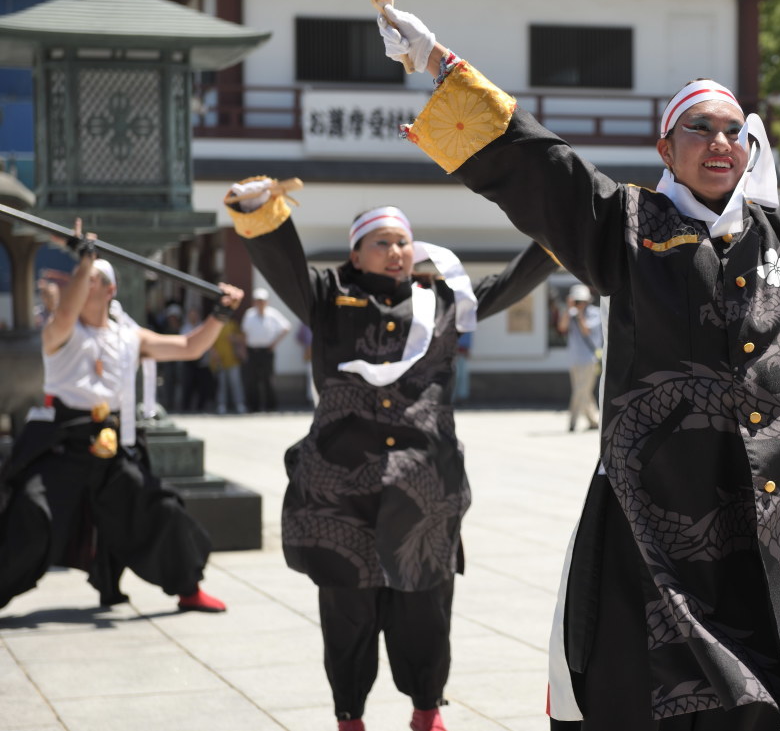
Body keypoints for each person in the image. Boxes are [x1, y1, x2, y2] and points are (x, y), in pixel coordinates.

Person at [374, 5, 780, 730]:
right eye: (700, 128)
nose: (720, 142)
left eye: (733, 131)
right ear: (666, 145)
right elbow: (533, 160)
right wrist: (438, 61)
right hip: (663, 514)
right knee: (679, 691)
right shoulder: (619, 226)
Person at [223, 178, 559, 731]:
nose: (396, 251)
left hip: (423, 489)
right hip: (338, 491)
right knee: (347, 611)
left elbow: (507, 285)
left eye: (402, 241)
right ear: (356, 253)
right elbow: (283, 265)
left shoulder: (443, 302)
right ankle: (349, 714)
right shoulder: (328, 298)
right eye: (381, 242)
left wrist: (558, 230)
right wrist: (261, 209)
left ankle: (426, 709)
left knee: (424, 607)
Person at [0, 231, 240, 613]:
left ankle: (188, 589)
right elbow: (65, 312)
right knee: (31, 512)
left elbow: (190, 346)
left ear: (109, 289)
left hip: (113, 444)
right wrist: (84, 263)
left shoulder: (130, 335)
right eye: (81, 277)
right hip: (63, 443)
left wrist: (221, 313)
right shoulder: (61, 332)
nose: (81, 284)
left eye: (91, 279)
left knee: (161, 508)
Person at [557, 284, 603, 432]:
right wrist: (568, 309)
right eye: (577, 300)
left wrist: (580, 315)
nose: (579, 303)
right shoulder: (570, 313)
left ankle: (572, 422)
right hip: (574, 359)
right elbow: (562, 328)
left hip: (589, 359)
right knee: (584, 392)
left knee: (579, 391)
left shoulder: (595, 313)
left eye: (581, 301)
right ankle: (593, 421)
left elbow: (586, 331)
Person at [241, 286, 291, 412]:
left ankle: (270, 406)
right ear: (255, 302)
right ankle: (253, 407)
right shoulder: (249, 314)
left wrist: (275, 343)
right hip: (253, 351)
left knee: (268, 379)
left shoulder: (272, 314)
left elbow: (286, 327)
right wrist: (244, 350)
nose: (260, 303)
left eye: (262, 301)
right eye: (258, 300)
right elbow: (245, 333)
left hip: (267, 351)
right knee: (252, 380)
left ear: (266, 302)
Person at [209, 317, 248, 415]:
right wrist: (214, 353)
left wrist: (233, 338)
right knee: (221, 384)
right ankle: (221, 405)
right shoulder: (214, 325)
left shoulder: (232, 324)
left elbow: (241, 338)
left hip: (233, 360)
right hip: (219, 360)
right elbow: (209, 342)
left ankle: (239, 404)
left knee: (236, 383)